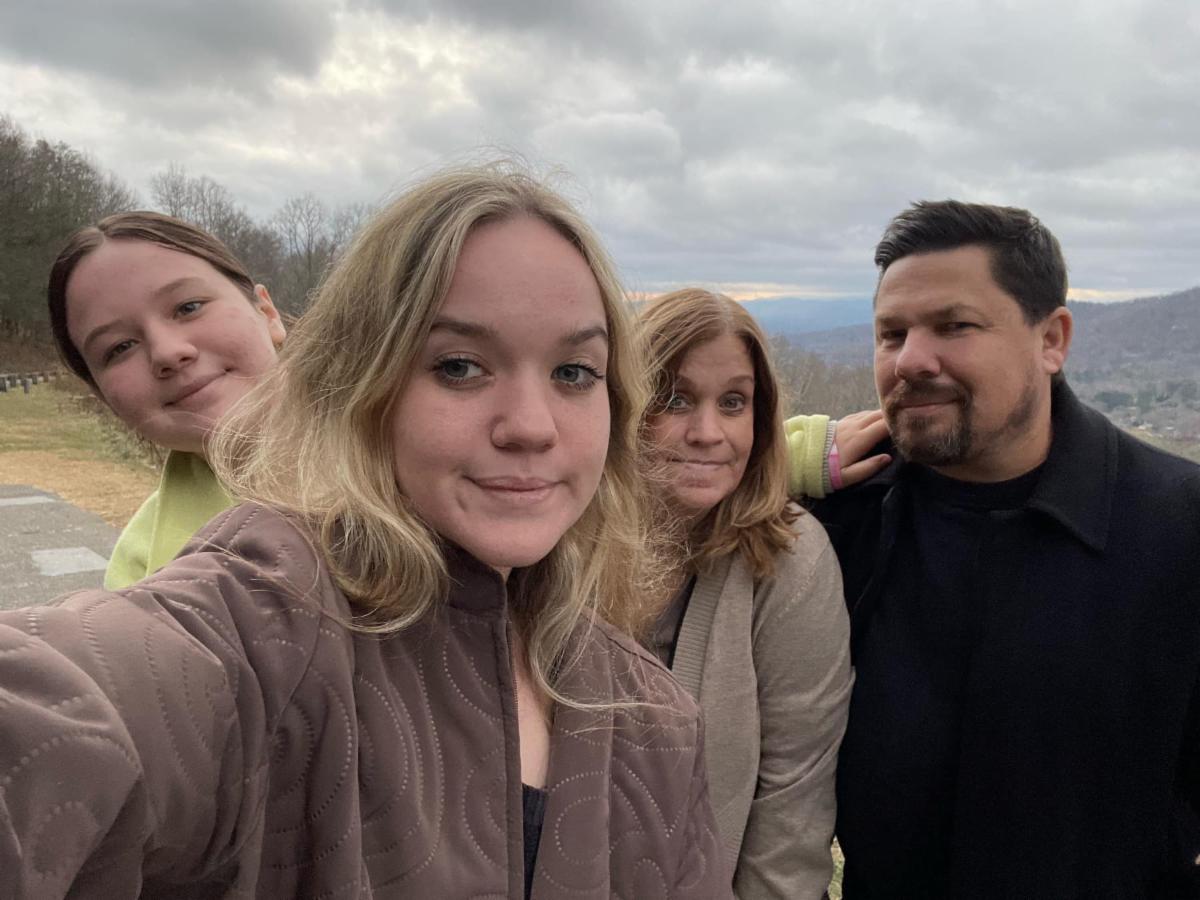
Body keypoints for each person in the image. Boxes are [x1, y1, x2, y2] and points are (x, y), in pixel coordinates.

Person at [0, 165, 730, 899]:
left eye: (573, 373)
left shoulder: (659, 717)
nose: (532, 427)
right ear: (361, 383)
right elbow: (78, 699)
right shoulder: (273, 608)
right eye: (459, 366)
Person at [810, 200, 1200, 898]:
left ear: (1051, 339)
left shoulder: (1178, 528)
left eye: (954, 326)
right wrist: (775, 466)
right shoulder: (836, 522)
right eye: (891, 334)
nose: (910, 360)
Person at [637, 288, 853, 899]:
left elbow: (794, 801)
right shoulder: (560, 543)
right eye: (674, 399)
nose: (708, 432)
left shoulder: (788, 558)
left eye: (733, 402)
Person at [47, 212, 286, 588]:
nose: (167, 352)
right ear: (103, 396)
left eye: (188, 307)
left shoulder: (387, 444)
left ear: (267, 313)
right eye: (120, 348)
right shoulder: (140, 573)